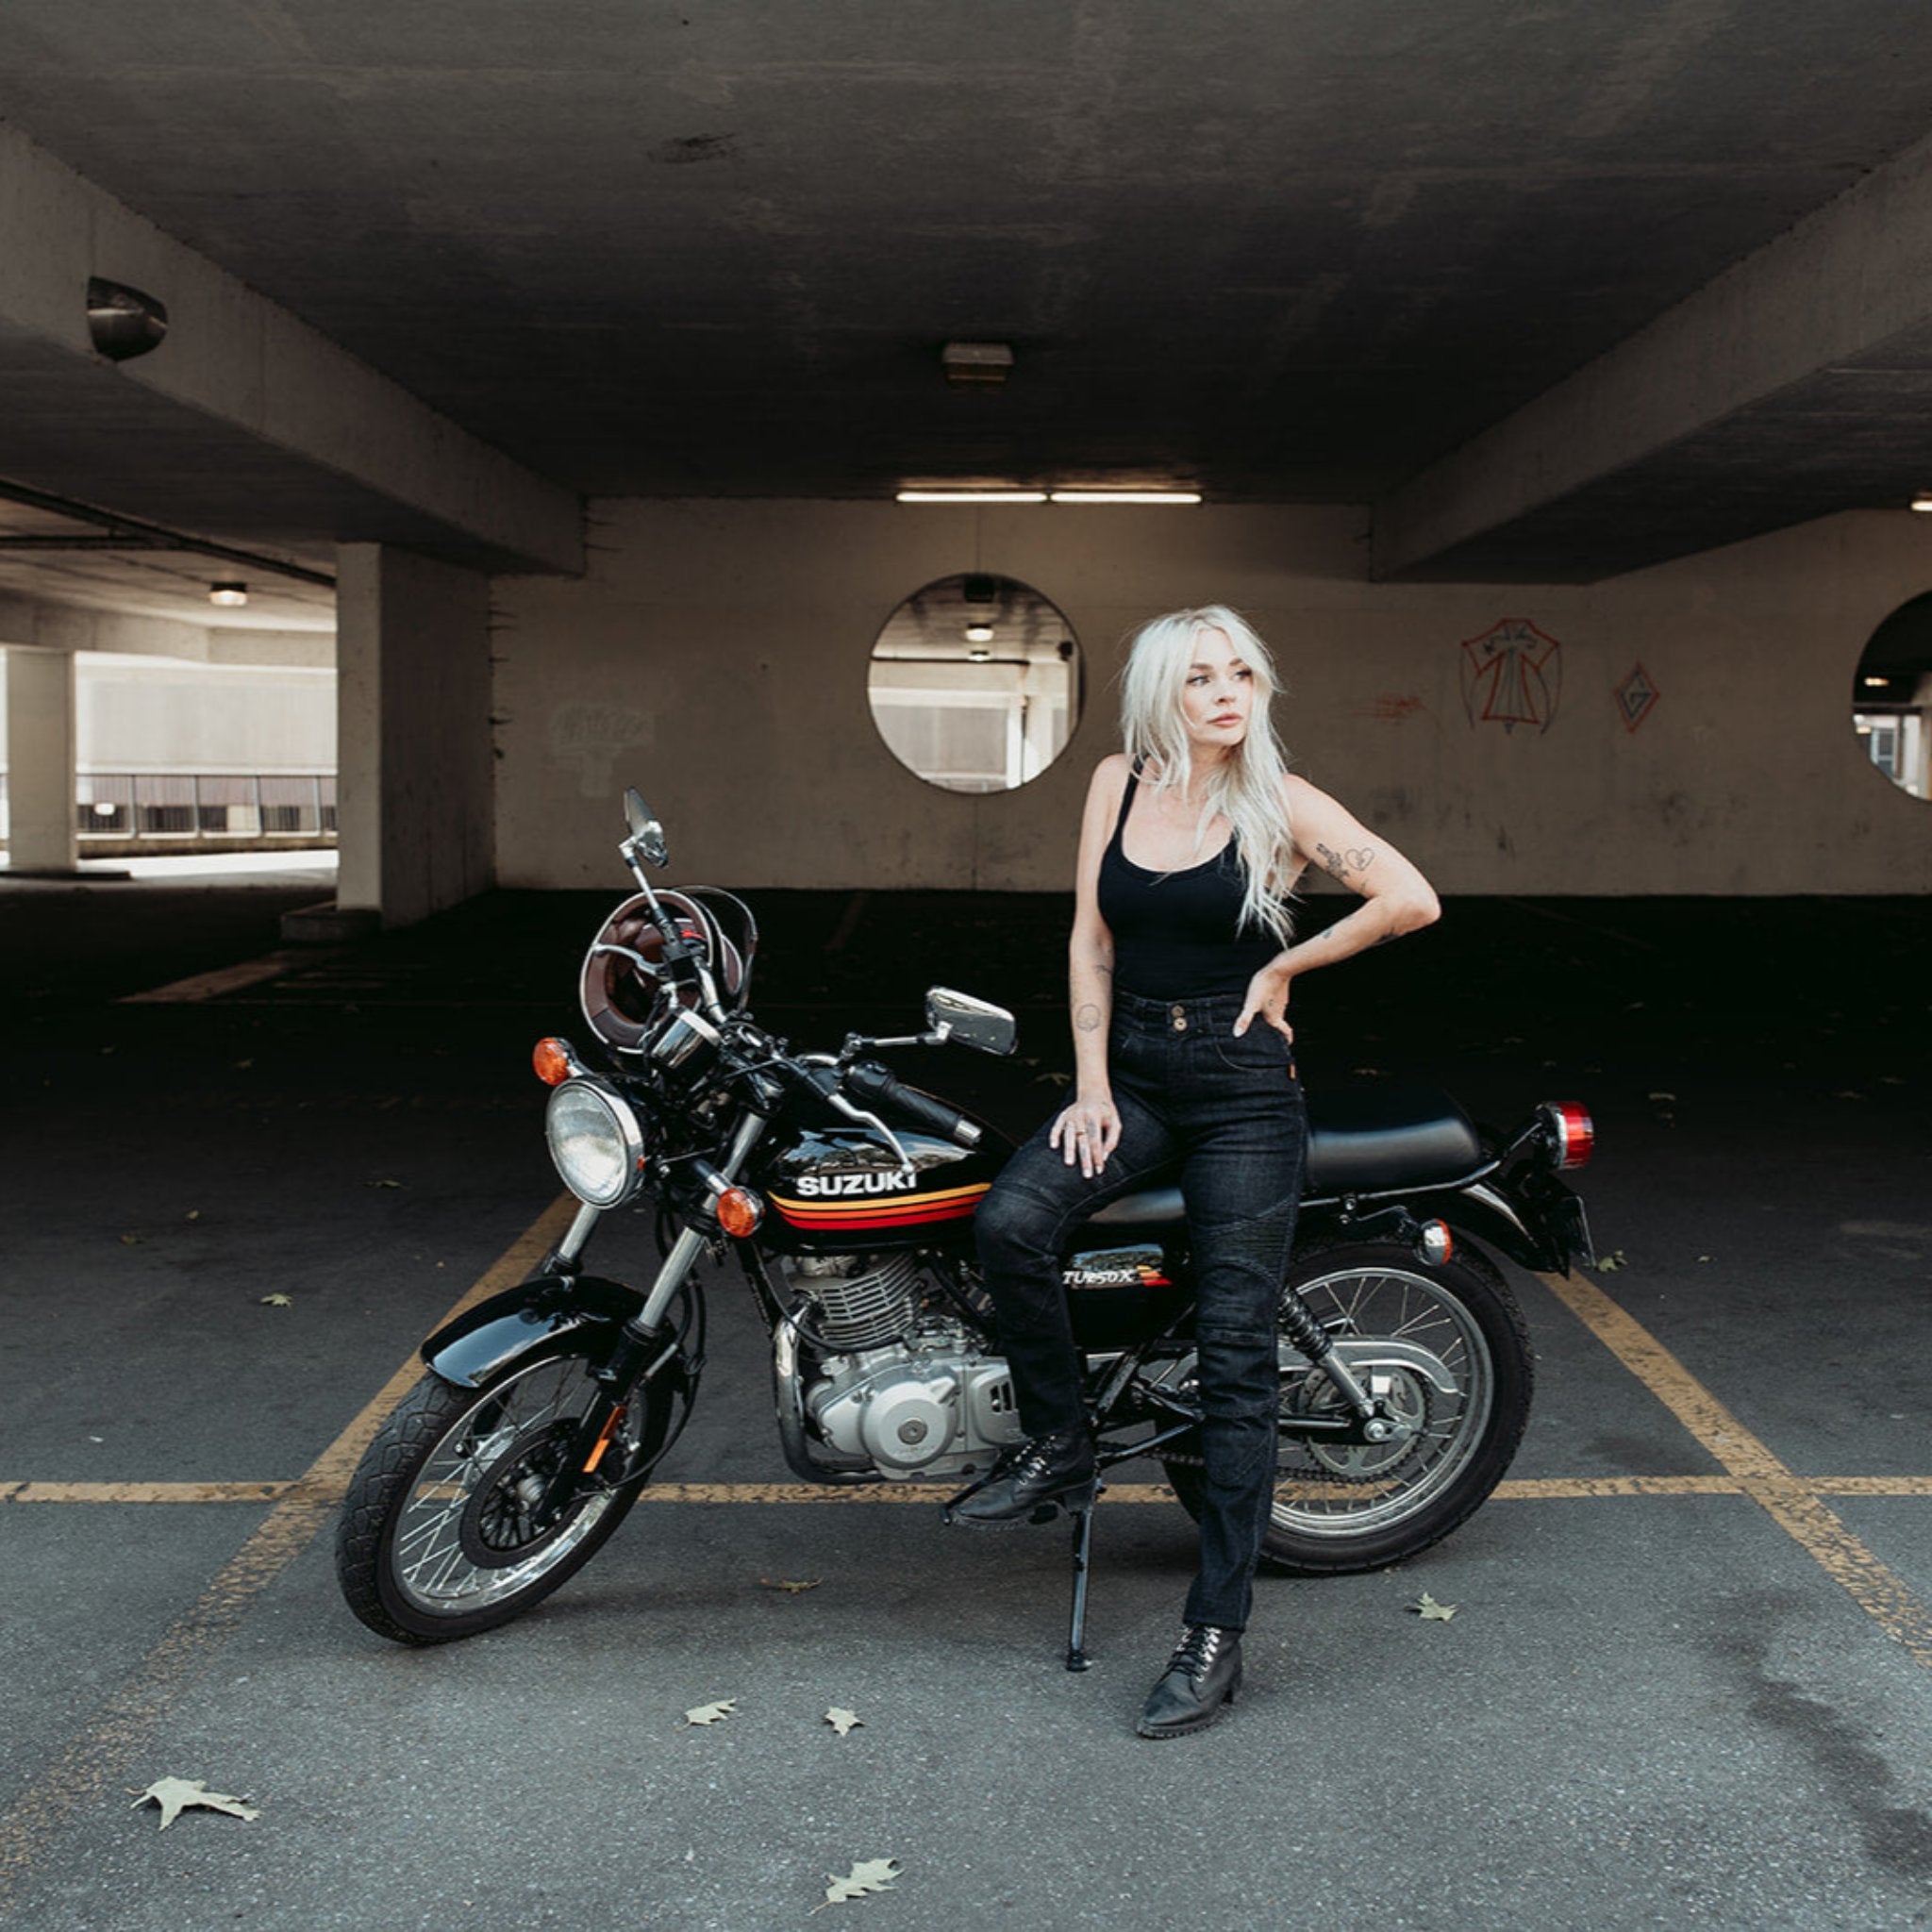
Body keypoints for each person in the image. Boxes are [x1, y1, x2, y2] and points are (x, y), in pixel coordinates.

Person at [949, 604, 1441, 1739]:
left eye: (1241, 674)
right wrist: (1088, 1084)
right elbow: (1090, 939)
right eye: (1201, 677)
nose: (1227, 694)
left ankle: (1213, 1632)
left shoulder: (1279, 799)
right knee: (1010, 1221)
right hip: (1130, 1075)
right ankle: (1062, 1445)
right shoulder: (1115, 783)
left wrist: (1285, 967)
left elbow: (1409, 897)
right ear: (1160, 694)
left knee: (1233, 1361)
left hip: (1240, 1094)